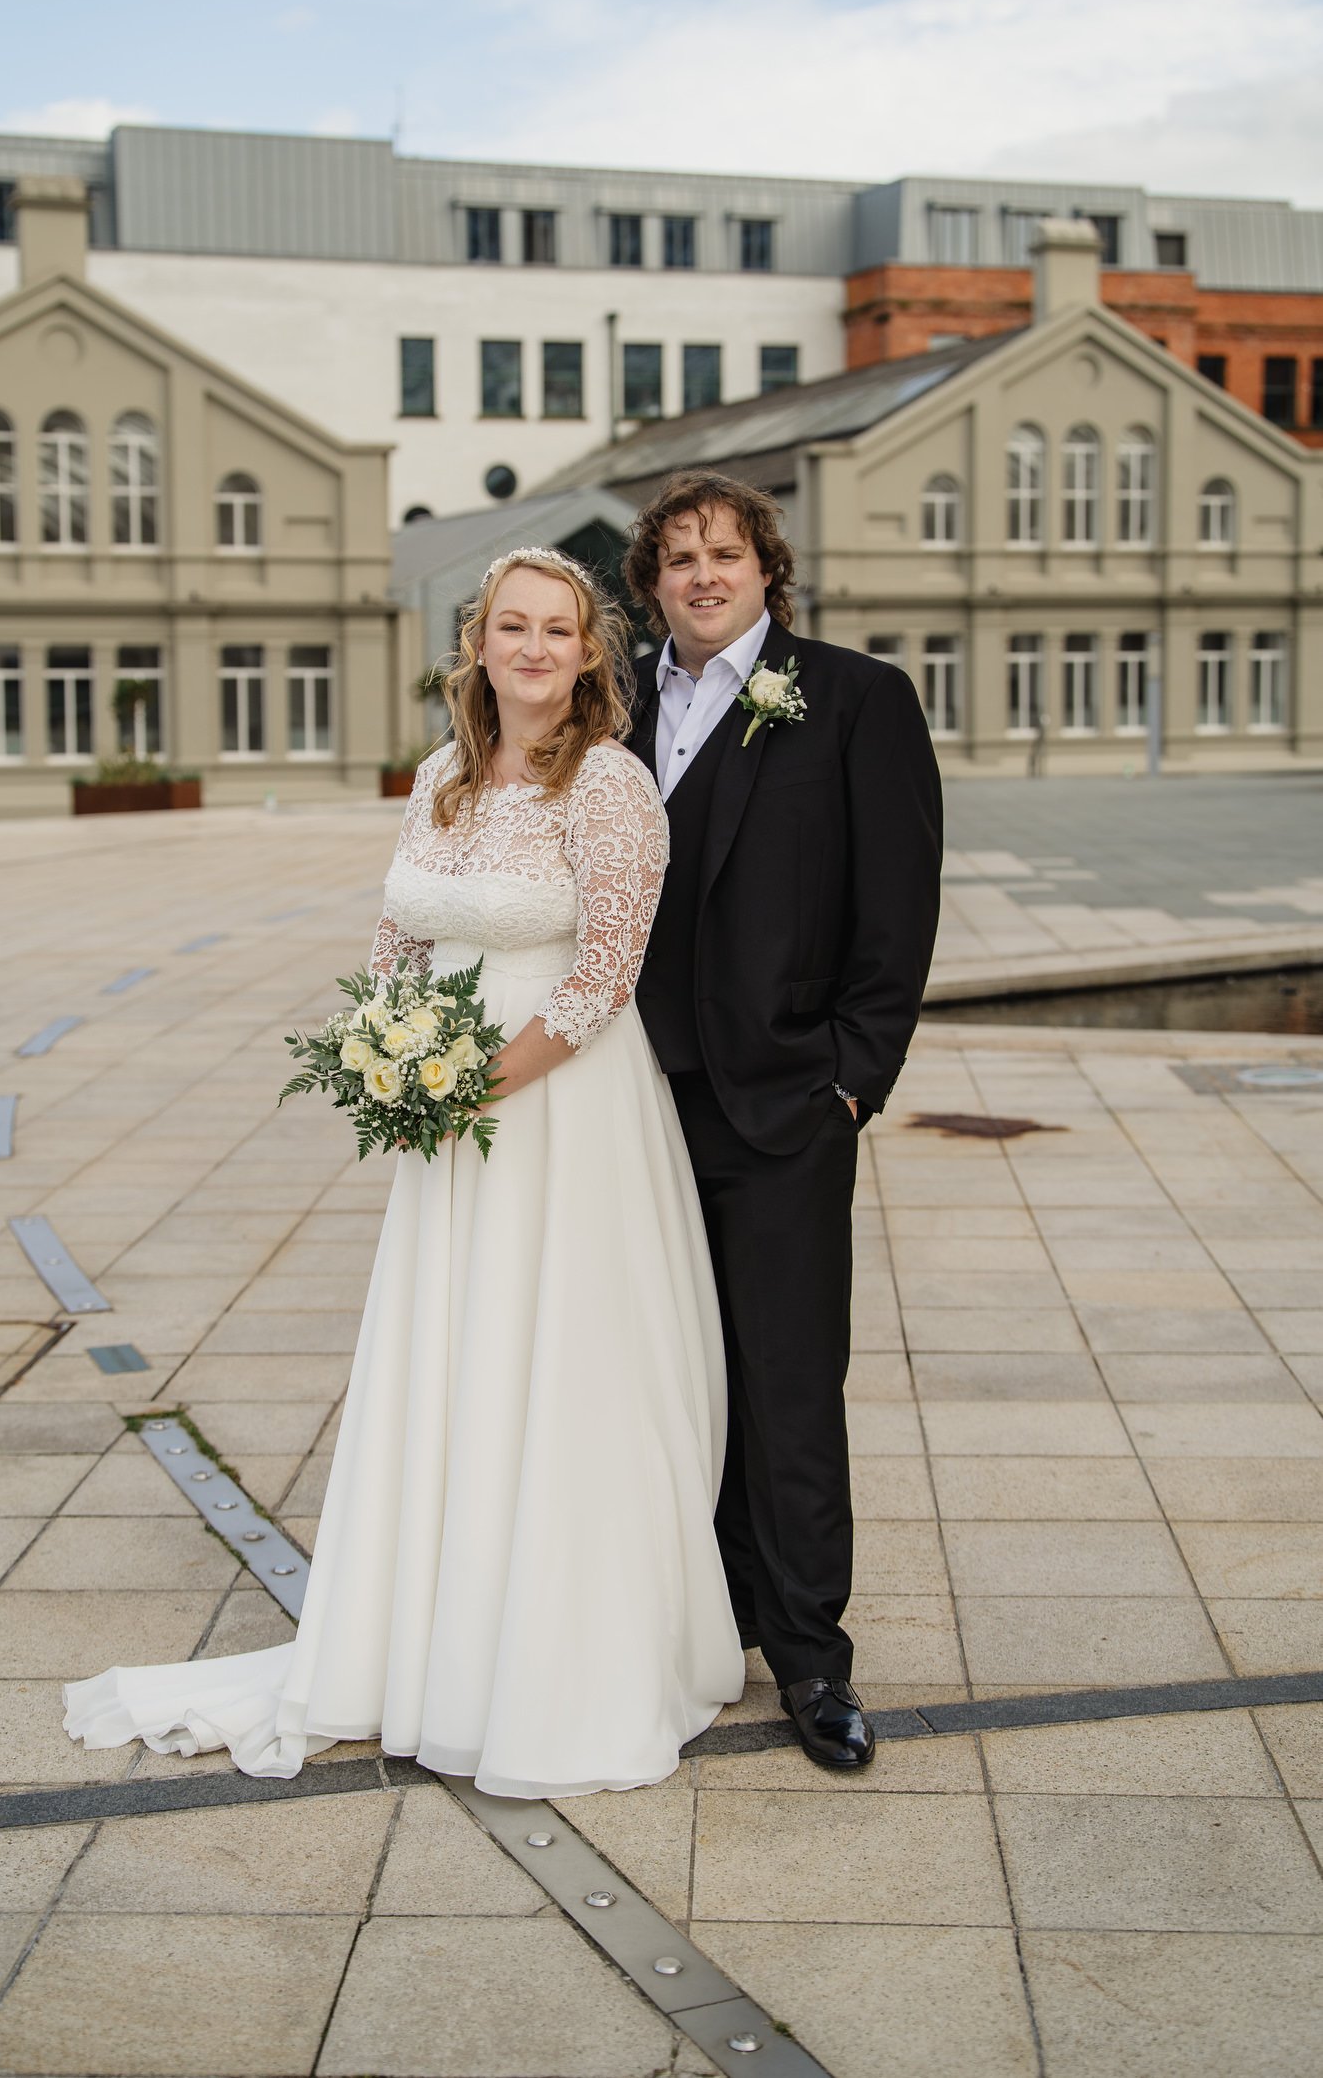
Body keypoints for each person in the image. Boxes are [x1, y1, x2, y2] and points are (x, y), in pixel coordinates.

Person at [63, 546, 744, 1797]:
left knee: (557, 1361)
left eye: (558, 630)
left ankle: (553, 1653)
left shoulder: (608, 785)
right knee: (455, 1355)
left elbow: (604, 977)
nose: (534, 648)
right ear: (476, 643)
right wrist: (392, 1056)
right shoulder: (438, 775)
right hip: (443, 1120)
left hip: (562, 1107)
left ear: (591, 653)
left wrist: (469, 1083)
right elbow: (395, 941)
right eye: (511, 626)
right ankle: (427, 1631)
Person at [624, 472, 943, 1772]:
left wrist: (853, 1076)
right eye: (681, 556)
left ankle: (813, 1655)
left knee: (793, 1386)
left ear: (769, 569)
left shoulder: (857, 699)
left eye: (727, 554)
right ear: (652, 578)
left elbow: (898, 905)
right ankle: (715, 1621)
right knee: (676, 1381)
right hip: (636, 1111)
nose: (705, 574)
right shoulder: (618, 706)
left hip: (786, 1106)